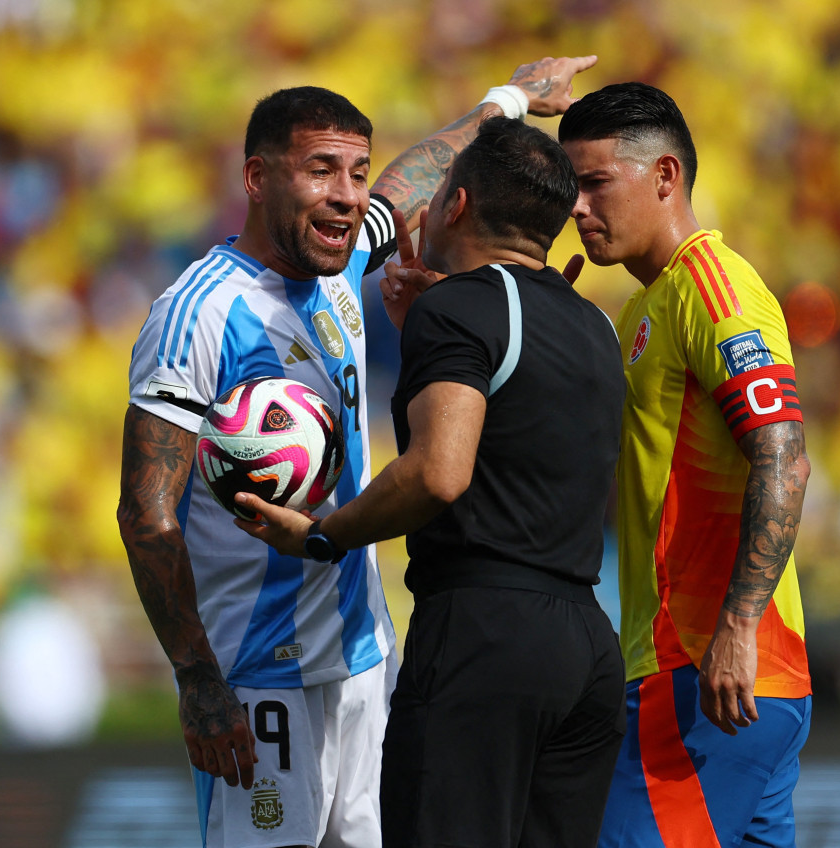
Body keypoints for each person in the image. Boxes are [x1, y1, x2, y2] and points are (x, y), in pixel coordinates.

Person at [116, 57, 597, 848]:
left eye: (356, 171)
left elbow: (412, 180)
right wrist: (197, 678)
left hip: (365, 662)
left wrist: (510, 101)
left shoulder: (337, 270)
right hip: (257, 677)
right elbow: (145, 513)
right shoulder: (198, 315)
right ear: (258, 178)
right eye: (320, 170)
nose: (347, 193)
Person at [237, 117, 627, 848]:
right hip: (585, 642)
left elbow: (441, 474)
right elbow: (525, 439)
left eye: (442, 189)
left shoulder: (463, 307)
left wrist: (325, 534)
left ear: (454, 205)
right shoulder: (595, 325)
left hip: (485, 636)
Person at [557, 82, 814, 848]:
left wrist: (735, 626)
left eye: (595, 182)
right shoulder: (645, 308)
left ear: (665, 176)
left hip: (710, 671)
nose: (576, 206)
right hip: (739, 678)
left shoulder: (713, 289)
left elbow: (784, 457)